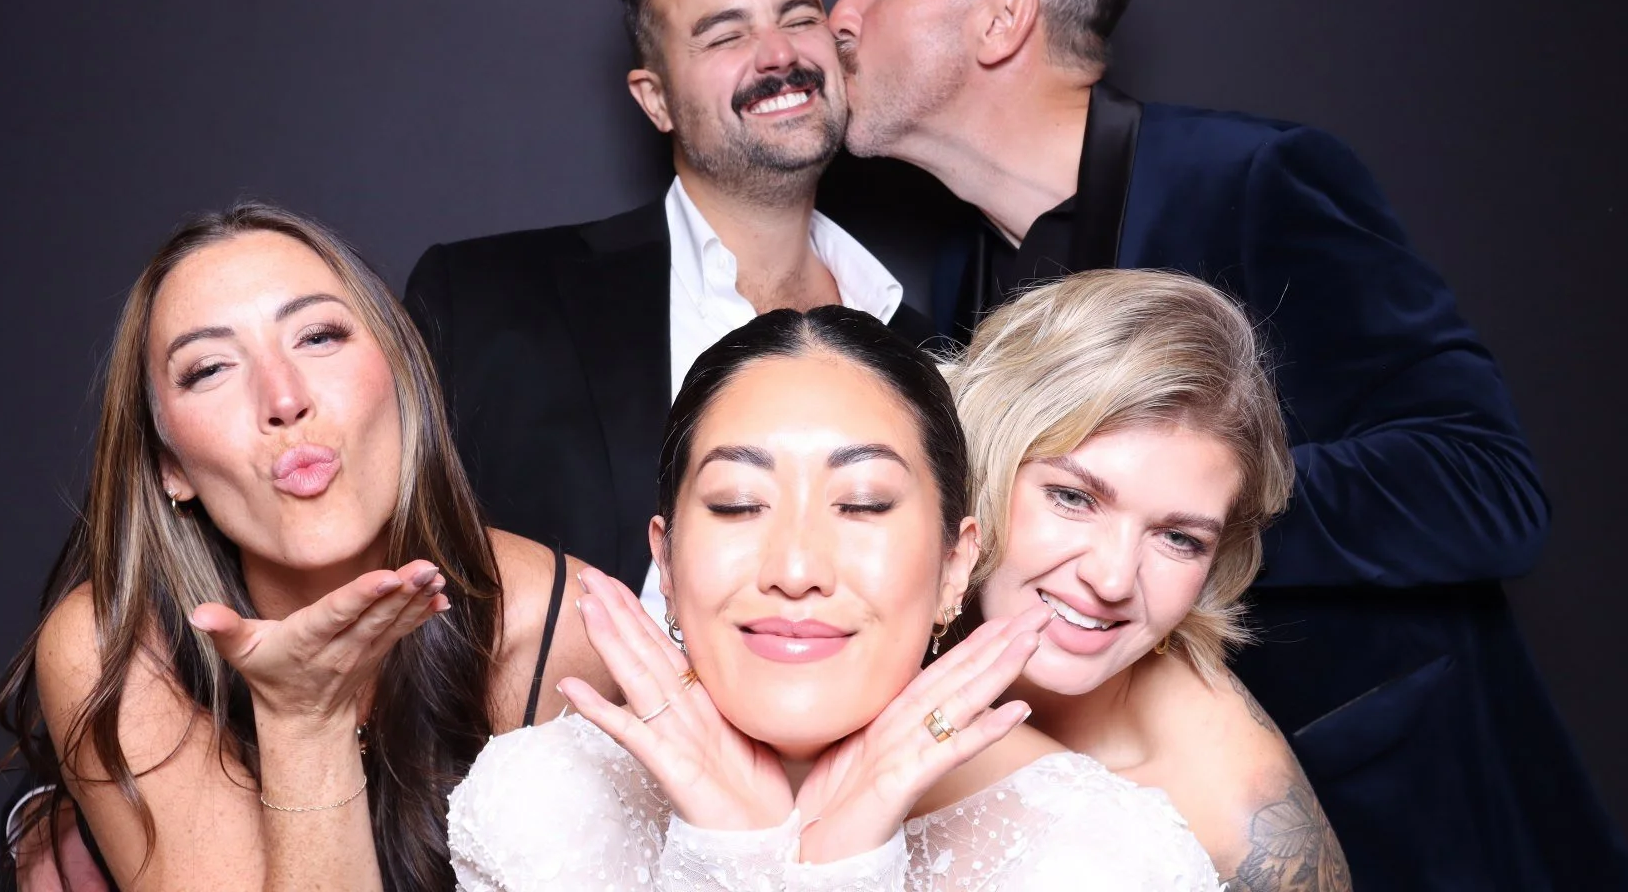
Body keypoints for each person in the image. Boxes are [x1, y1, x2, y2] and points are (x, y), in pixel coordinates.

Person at [829, 0, 1628, 887]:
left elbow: (1487, 487)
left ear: (1002, 18)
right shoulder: (964, 271)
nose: (840, 14)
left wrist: (1190, 514)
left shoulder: (1258, 181)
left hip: (1399, 823)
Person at [445, 307, 1221, 890]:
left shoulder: (1114, 861)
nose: (795, 566)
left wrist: (847, 859)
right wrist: (732, 854)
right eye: (739, 504)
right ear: (667, 563)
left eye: (863, 505)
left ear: (956, 565)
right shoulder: (538, 805)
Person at [0, 202, 610, 891]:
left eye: (317, 337)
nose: (282, 399)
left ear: (402, 378)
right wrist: (303, 720)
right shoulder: (117, 645)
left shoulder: (560, 625)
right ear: (172, 467)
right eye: (210, 368)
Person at [404, 0, 930, 633]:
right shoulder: (487, 300)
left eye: (799, 17)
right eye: (725, 34)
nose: (778, 54)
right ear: (654, 100)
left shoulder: (934, 347)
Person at [946, 268, 1349, 888]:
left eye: (1178, 538)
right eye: (1073, 498)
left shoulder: (1238, 818)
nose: (1111, 579)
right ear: (985, 457)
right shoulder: (843, 610)